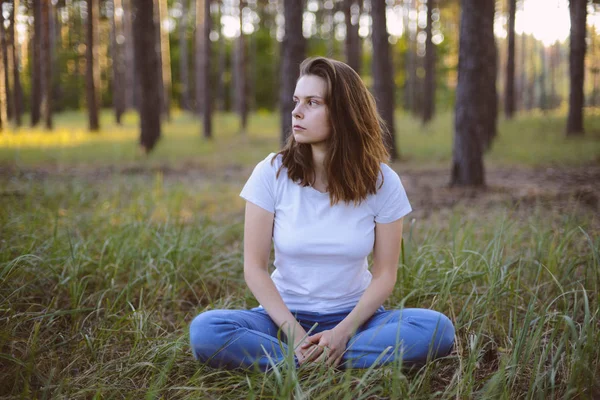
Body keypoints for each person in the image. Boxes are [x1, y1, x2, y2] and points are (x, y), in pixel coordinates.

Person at [189, 57, 454, 371]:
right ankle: (319, 359)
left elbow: (385, 275)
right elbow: (254, 269)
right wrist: (297, 336)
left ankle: (306, 362)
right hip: (280, 320)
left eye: (312, 102)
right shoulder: (271, 173)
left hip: (358, 320)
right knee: (206, 331)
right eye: (296, 101)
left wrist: (342, 332)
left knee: (437, 329)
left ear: (342, 112)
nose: (296, 112)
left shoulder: (383, 182)